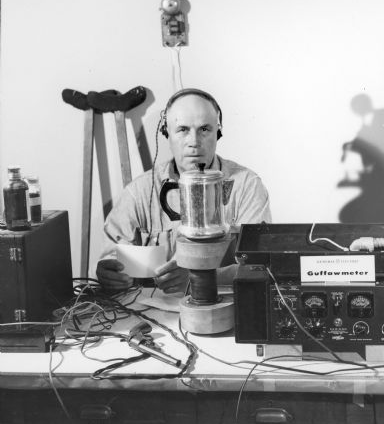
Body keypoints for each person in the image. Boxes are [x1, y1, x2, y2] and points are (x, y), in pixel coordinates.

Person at [96, 88, 271, 293]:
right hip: (153, 314)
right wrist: (109, 272)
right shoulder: (139, 191)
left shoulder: (247, 186)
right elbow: (111, 255)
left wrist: (201, 279)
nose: (194, 142)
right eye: (183, 130)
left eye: (204, 129)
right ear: (167, 133)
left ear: (218, 132)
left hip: (222, 312)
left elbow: (259, 267)